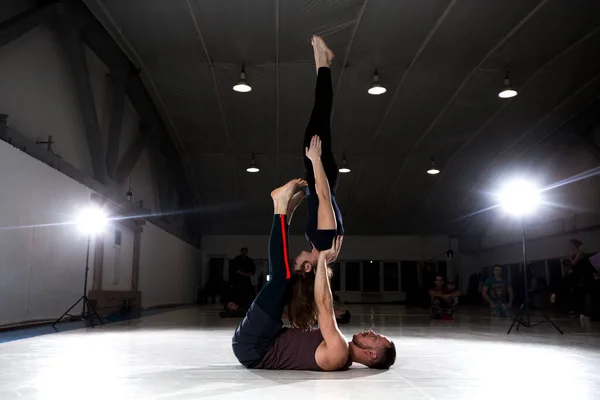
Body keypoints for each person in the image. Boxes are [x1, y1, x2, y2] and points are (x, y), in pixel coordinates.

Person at [231, 179, 396, 371]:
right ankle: (284, 211)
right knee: (289, 282)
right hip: (263, 338)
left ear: (371, 354)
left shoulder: (339, 353)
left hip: (253, 347)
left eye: (374, 337)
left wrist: (324, 258)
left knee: (280, 278)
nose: (370, 331)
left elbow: (324, 304)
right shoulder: (339, 348)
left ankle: (280, 207)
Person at [284, 35, 345, 329]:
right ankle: (324, 62)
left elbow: (319, 196)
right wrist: (315, 159)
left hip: (320, 175)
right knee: (321, 111)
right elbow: (324, 194)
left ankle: (322, 60)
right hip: (322, 172)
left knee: (319, 113)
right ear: (307, 267)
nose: (296, 259)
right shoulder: (322, 241)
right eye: (297, 264)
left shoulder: (324, 246)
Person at [567, 239, 596, 325]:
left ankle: (586, 312)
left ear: (574, 245)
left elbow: (574, 262)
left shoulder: (579, 253)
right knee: (577, 293)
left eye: (571, 244)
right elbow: (572, 266)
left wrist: (569, 258)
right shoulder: (573, 253)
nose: (570, 246)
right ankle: (579, 311)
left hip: (582, 275)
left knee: (584, 294)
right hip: (576, 274)